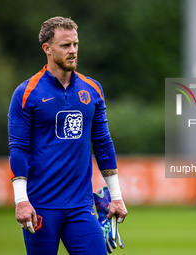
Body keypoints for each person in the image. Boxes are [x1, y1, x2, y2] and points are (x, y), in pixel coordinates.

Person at [8, 16, 128, 255]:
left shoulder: (92, 89)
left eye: (75, 44)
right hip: (40, 206)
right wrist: (21, 200)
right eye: (65, 46)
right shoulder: (26, 93)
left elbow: (103, 144)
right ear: (47, 49)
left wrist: (116, 196)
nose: (72, 51)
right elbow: (18, 149)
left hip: (81, 206)